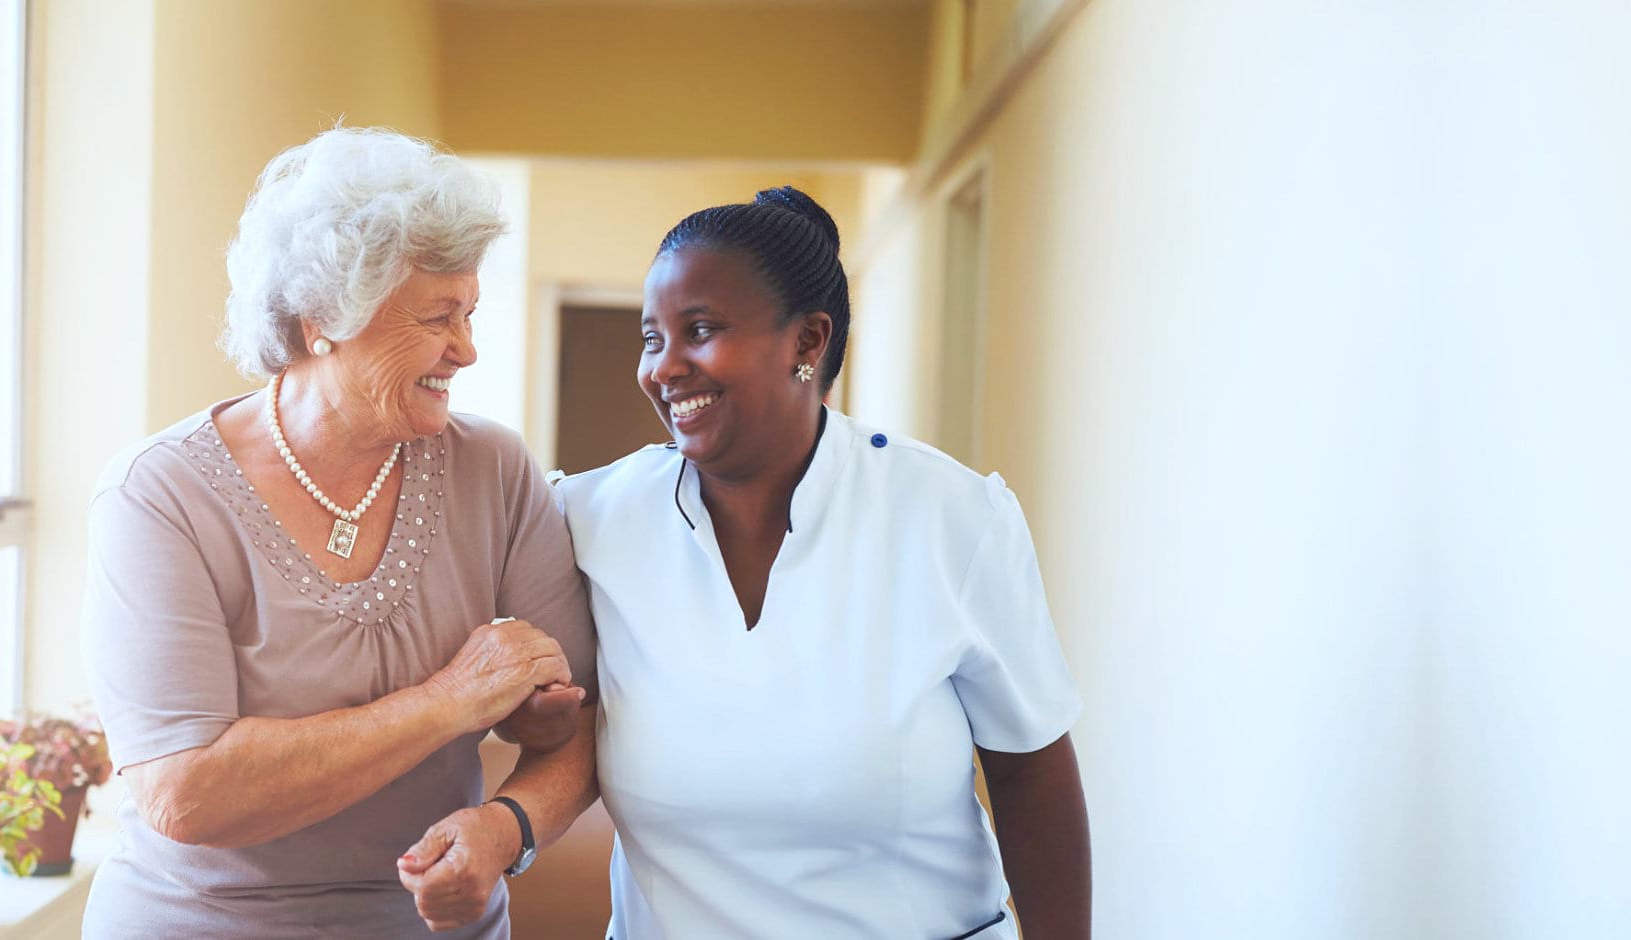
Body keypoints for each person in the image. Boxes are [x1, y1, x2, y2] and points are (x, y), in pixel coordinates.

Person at [79, 128, 598, 938]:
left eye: (469, 313)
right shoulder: (160, 494)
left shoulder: (491, 467)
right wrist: (451, 701)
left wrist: (505, 829)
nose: (466, 349)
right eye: (438, 317)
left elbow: (585, 723)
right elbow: (187, 793)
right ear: (323, 318)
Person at [553, 187, 1092, 939]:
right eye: (652, 338)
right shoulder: (590, 520)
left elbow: (1030, 771)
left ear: (808, 343)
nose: (664, 368)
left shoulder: (950, 518)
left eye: (700, 331)